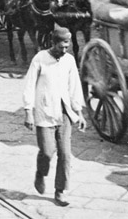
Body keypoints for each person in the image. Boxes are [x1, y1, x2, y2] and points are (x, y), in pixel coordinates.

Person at [22, 27, 86, 207]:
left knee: (65, 154)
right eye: (61, 47)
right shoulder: (40, 59)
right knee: (47, 151)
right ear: (53, 43)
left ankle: (60, 190)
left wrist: (79, 112)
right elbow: (29, 85)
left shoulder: (69, 61)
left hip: (64, 114)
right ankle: (40, 173)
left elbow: (74, 87)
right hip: (44, 112)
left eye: (67, 47)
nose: (64, 51)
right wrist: (28, 111)